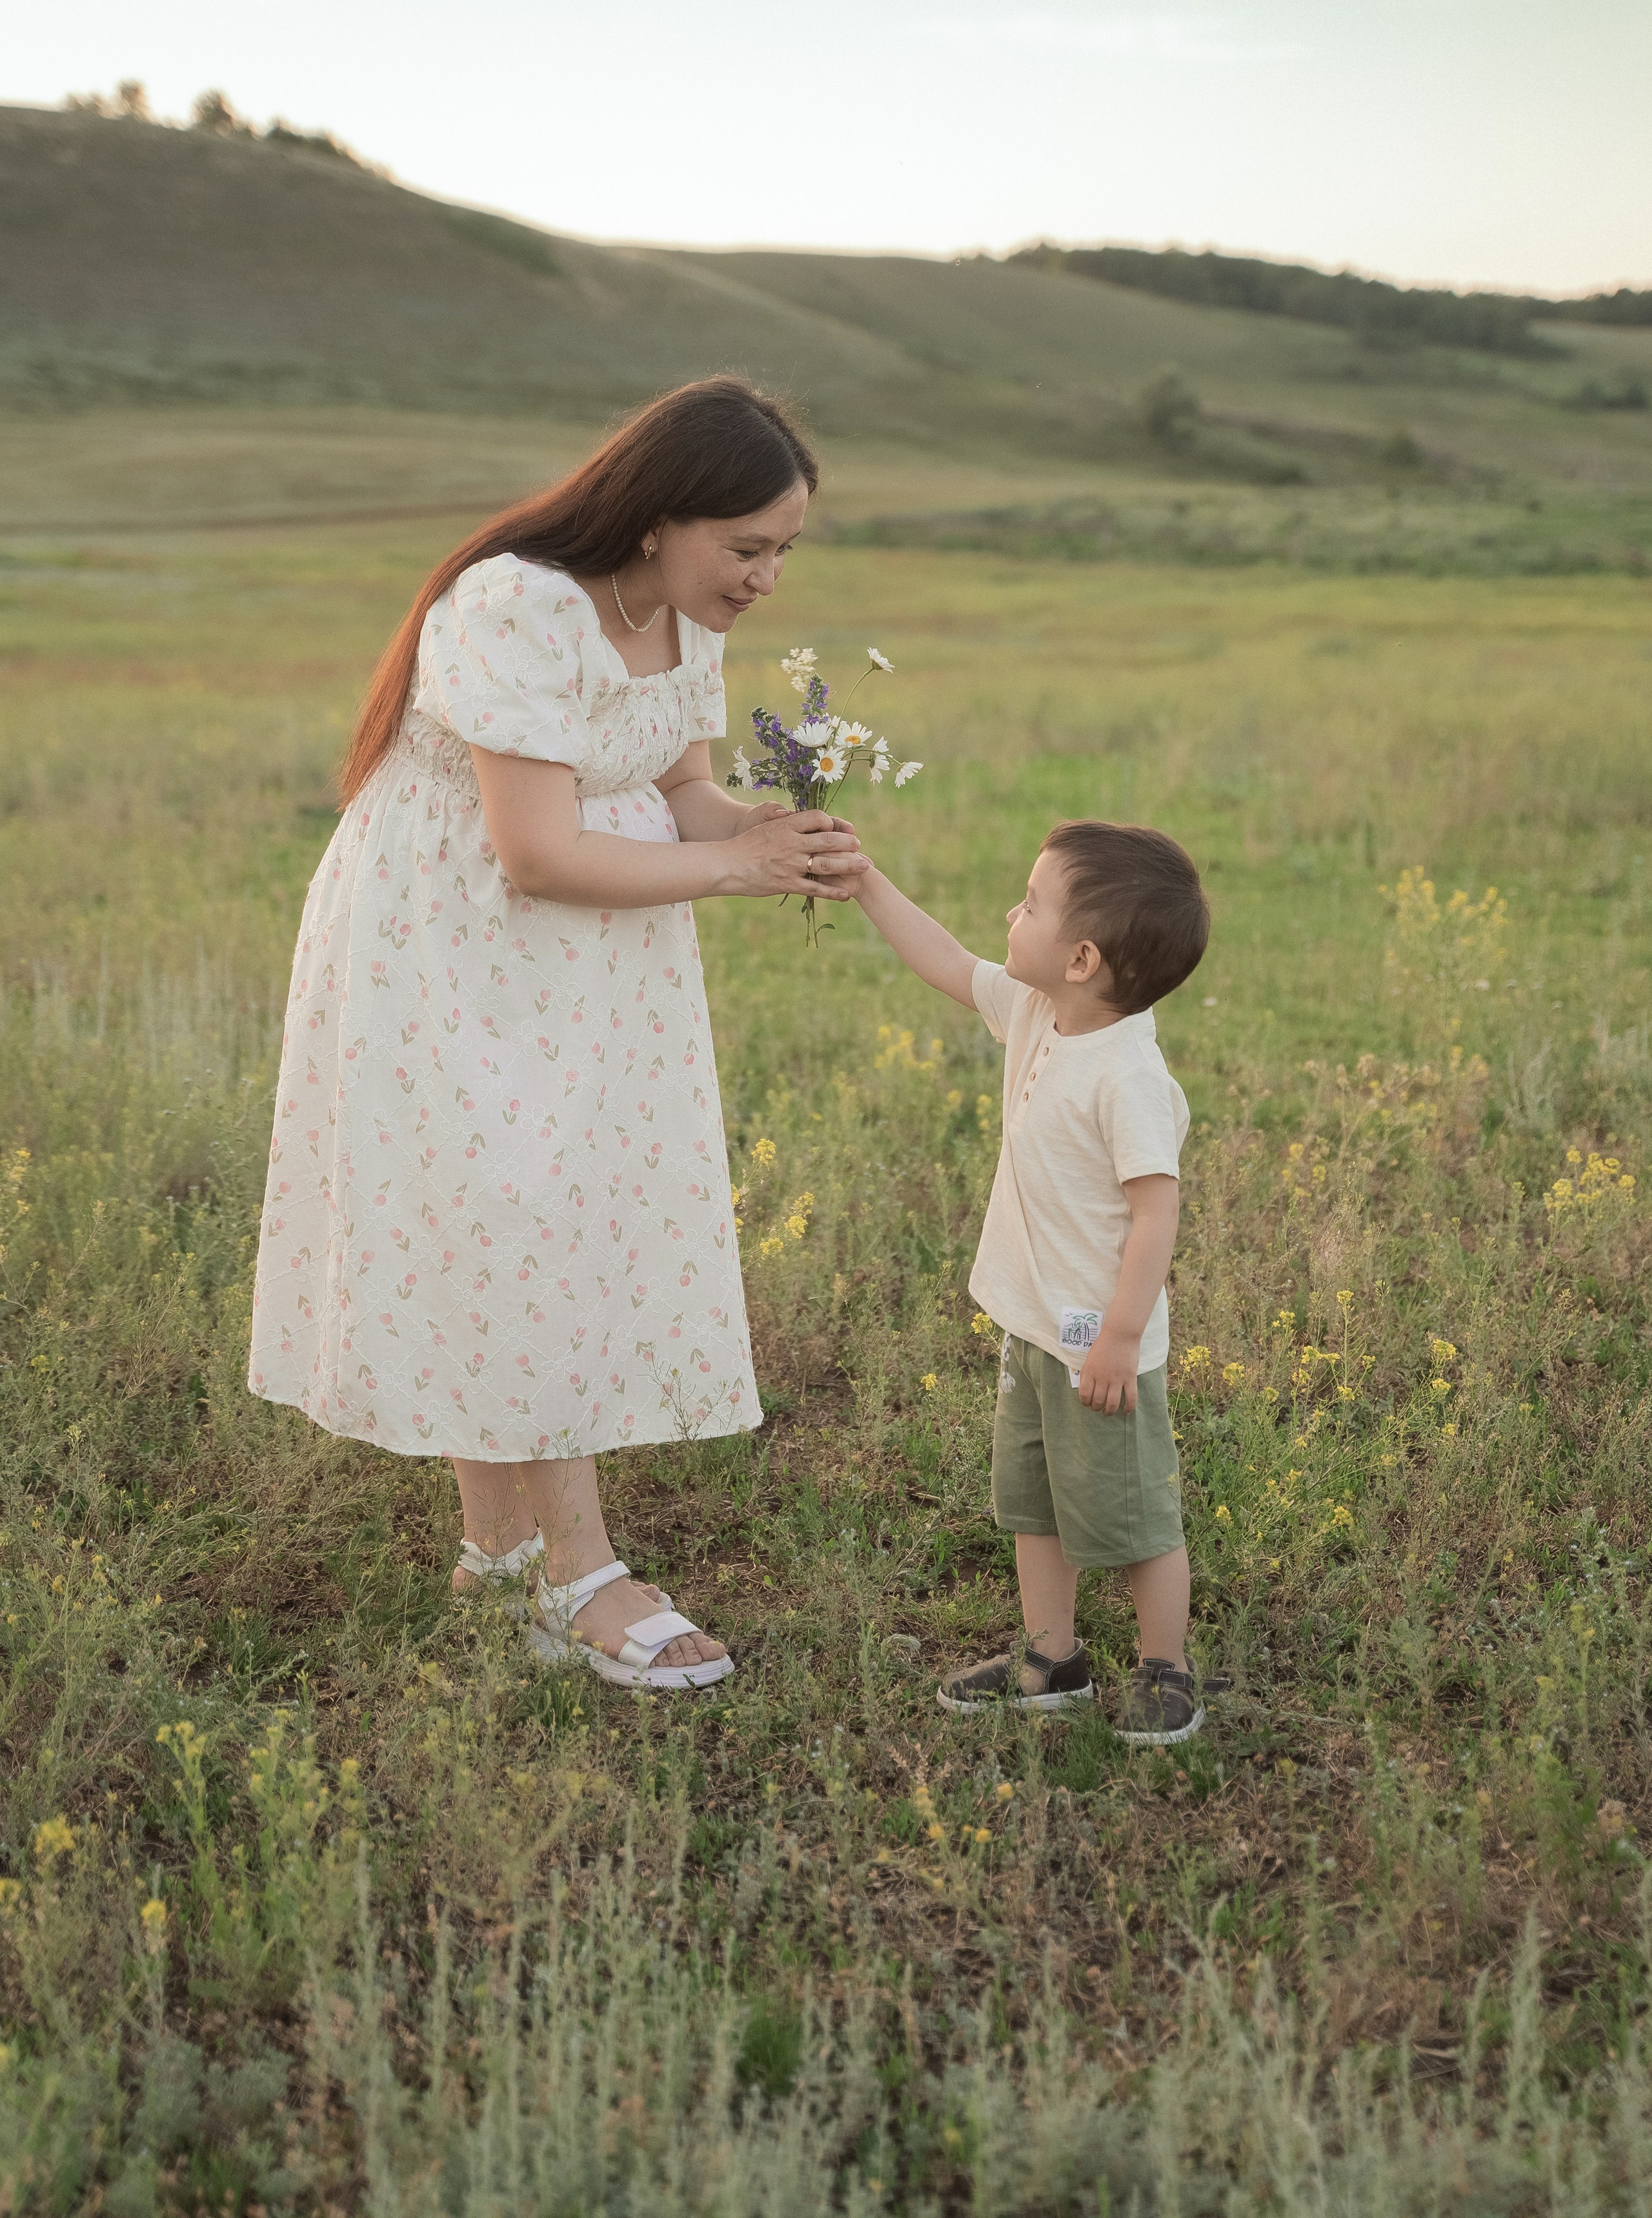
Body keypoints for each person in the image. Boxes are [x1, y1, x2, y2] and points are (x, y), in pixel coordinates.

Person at [248, 379, 867, 1691]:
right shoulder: (518, 602)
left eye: (782, 552)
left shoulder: (682, 616)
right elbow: (531, 852)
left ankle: (499, 1558)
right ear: (656, 516)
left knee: (553, 1221)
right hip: (452, 937)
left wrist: (775, 830)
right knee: (508, 1220)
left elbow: (680, 788)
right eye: (745, 546)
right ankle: (575, 1568)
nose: (763, 578)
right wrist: (736, 873)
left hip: (596, 957)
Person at [845, 820, 1224, 1742]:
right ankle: (1051, 1658)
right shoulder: (1034, 1008)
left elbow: (1155, 1212)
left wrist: (1123, 1339)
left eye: (1031, 904)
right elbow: (942, 957)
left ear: (1083, 957)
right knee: (1036, 1497)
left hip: (1102, 1343)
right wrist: (862, 878)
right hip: (1036, 1326)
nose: (1011, 913)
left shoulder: (1127, 1072)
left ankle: (1164, 1666)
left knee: (1133, 1510)